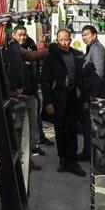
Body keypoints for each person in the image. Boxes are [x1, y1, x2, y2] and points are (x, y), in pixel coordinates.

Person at [41, 28, 87, 177]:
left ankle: (72, 161)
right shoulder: (50, 57)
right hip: (57, 99)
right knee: (60, 130)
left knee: (73, 130)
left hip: (73, 98)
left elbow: (82, 80)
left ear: (70, 39)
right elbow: (45, 82)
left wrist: (85, 98)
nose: (64, 42)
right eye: (61, 39)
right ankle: (63, 159)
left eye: (66, 39)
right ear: (57, 39)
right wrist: (48, 102)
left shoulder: (77, 56)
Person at [13, 24, 49, 160]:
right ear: (14, 35)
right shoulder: (11, 48)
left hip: (31, 90)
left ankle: (33, 146)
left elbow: (33, 59)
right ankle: (21, 151)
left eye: (24, 34)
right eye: (20, 35)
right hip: (17, 92)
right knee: (18, 123)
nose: (22, 37)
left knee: (33, 120)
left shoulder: (31, 44)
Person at [77, 25, 105, 161]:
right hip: (91, 93)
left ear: (94, 35)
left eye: (87, 35)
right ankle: (87, 152)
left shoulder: (96, 49)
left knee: (91, 126)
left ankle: (90, 154)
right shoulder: (91, 48)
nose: (85, 37)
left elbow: (99, 72)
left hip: (97, 94)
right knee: (88, 125)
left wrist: (93, 95)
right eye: (83, 35)